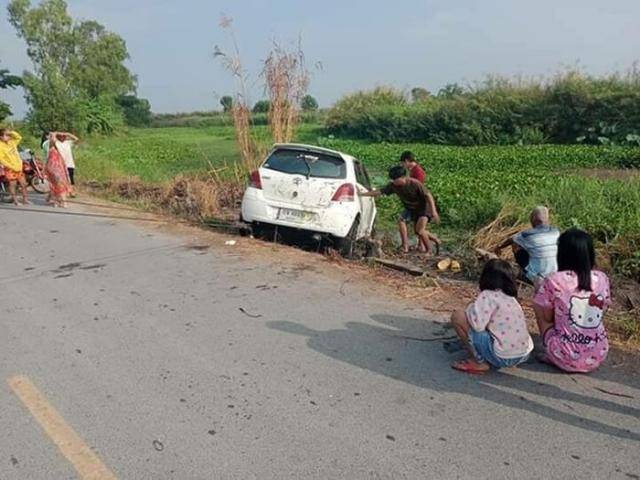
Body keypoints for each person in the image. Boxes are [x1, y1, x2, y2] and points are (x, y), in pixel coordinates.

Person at [533, 229, 611, 373]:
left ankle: (551, 353)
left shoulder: (554, 280)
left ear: (562, 253)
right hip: (598, 354)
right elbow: (603, 309)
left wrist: (540, 289)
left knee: (540, 300)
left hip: (563, 355)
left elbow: (547, 317)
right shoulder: (601, 278)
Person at [450, 259, 534, 374]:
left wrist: (471, 308)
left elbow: (477, 326)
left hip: (501, 356)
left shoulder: (487, 296)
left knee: (458, 316)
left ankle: (479, 362)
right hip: (522, 354)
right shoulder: (512, 299)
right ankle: (506, 354)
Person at [360, 166, 441, 255]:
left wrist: (434, 211)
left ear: (404, 177)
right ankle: (408, 245)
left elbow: (428, 196)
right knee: (404, 222)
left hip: (425, 208)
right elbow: (379, 192)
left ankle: (429, 251)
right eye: (393, 180)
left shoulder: (415, 183)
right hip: (411, 208)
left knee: (420, 230)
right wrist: (363, 194)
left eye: (396, 179)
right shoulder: (393, 186)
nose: (394, 182)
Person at [495, 206, 560, 285]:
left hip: (536, 277)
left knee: (515, 244)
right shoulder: (556, 232)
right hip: (554, 274)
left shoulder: (527, 235)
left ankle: (525, 274)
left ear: (533, 219)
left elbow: (511, 239)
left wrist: (499, 247)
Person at [400, 150, 429, 252]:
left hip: (417, 202)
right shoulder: (413, 170)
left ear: (407, 161)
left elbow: (417, 187)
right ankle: (420, 246)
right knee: (417, 226)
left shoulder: (418, 171)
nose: (402, 165)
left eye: (403, 163)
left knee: (402, 220)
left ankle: (406, 246)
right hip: (415, 202)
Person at [0, 128, 29, 205]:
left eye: (9, 135)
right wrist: (11, 166)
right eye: (6, 135)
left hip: (19, 167)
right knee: (13, 185)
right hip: (10, 169)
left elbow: (19, 137)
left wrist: (11, 132)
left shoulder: (12, 142)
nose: (9, 136)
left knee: (24, 184)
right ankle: (16, 201)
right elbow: (2, 160)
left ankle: (25, 200)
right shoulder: (0, 146)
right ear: (1, 137)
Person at [44, 132, 72, 207]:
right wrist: (55, 133)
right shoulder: (50, 146)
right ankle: (62, 202)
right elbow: (53, 140)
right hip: (55, 168)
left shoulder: (59, 146)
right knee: (60, 185)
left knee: (55, 185)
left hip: (57, 167)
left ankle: (56, 201)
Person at [53, 132, 79, 196]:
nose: (62, 137)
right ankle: (63, 191)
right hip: (60, 164)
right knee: (61, 179)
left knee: (70, 178)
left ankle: (71, 192)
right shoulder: (56, 143)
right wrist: (56, 133)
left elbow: (77, 139)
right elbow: (53, 140)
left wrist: (68, 134)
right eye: (61, 136)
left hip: (69, 163)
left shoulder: (68, 142)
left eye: (63, 136)